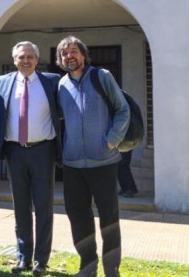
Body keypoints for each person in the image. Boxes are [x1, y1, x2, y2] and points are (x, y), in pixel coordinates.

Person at [56, 36, 130, 277]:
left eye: (74, 51)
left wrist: (112, 139)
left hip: (104, 161)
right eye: (64, 53)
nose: (69, 56)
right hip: (73, 164)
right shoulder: (61, 86)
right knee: (78, 218)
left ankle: (111, 270)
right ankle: (87, 267)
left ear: (84, 55)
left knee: (109, 218)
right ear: (60, 59)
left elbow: (122, 109)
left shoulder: (102, 77)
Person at [0, 41, 61, 276]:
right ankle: (23, 257)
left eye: (30, 57)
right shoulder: (2, 82)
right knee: (21, 206)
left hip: (43, 151)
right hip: (14, 151)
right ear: (14, 60)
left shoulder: (51, 82)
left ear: (37, 59)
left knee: (43, 206)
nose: (25, 60)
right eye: (21, 57)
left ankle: (41, 260)